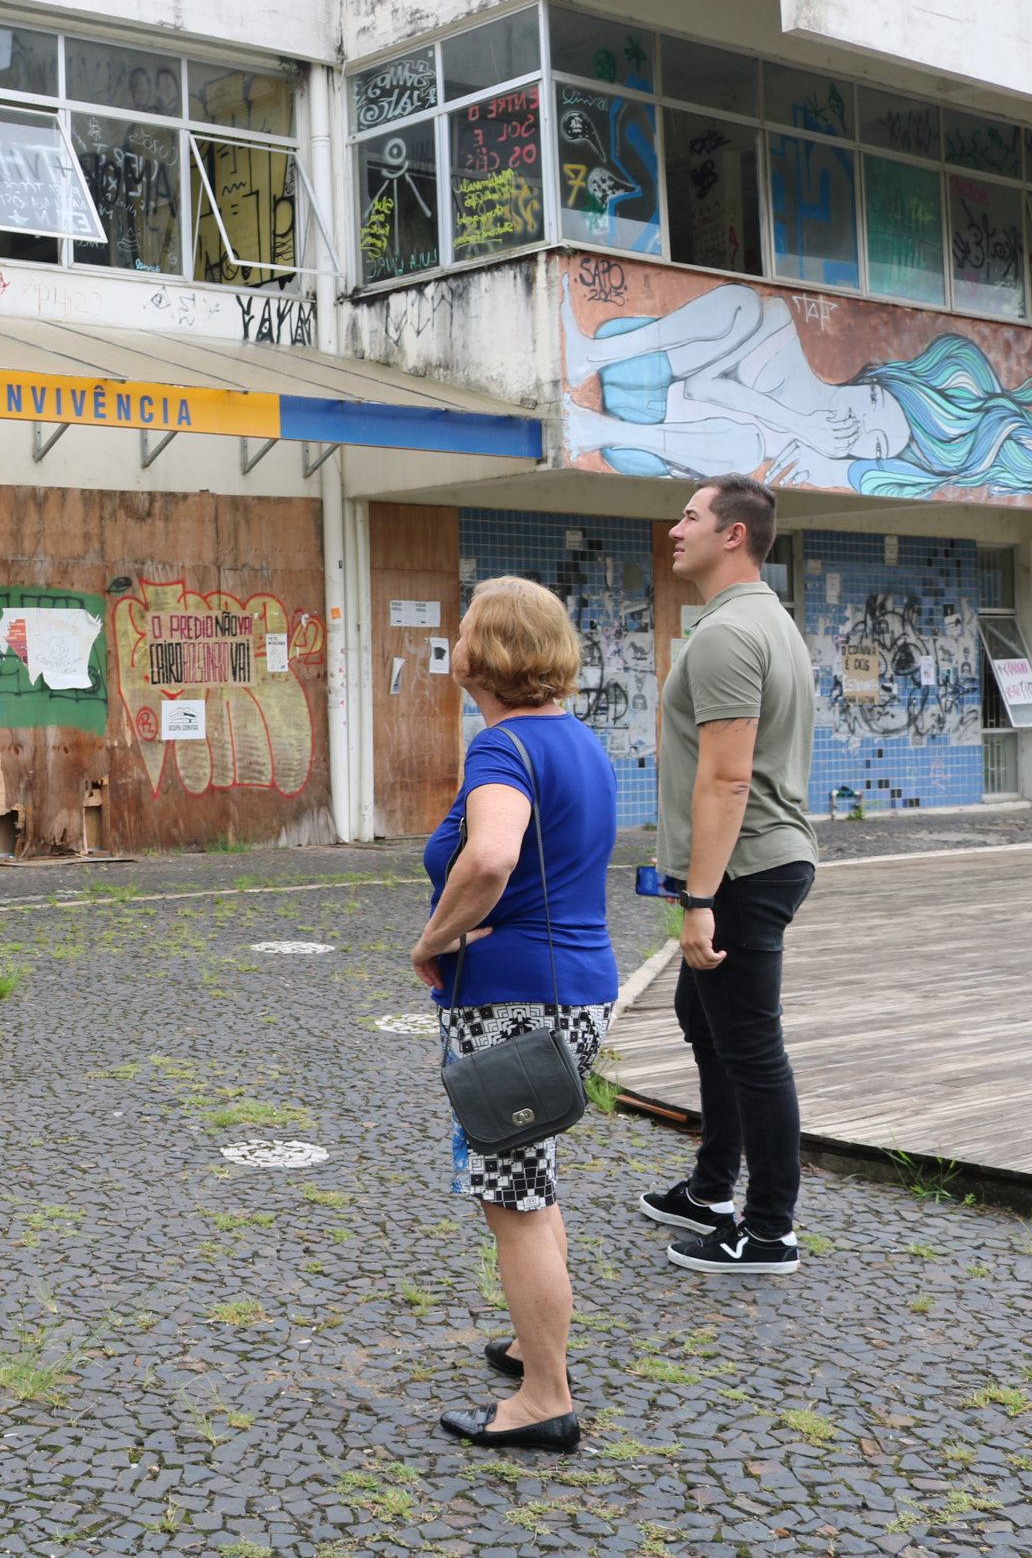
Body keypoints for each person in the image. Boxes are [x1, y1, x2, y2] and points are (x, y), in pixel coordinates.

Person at [413, 576, 619, 1455]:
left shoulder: (500, 750)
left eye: (462, 629)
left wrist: (435, 934)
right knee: (530, 1181)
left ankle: (544, 1397)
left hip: (516, 1002)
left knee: (514, 1198)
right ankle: (542, 1348)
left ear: (481, 653)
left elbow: (492, 854)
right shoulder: (579, 741)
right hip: (575, 987)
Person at [646, 474, 819, 1274]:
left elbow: (726, 778)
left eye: (690, 516)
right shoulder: (767, 621)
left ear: (734, 535)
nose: (674, 528)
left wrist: (700, 899)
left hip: (744, 868)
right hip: (761, 859)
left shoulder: (725, 635)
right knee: (703, 1014)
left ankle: (769, 1228)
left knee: (751, 1046)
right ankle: (713, 1186)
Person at [560, 279, 1032, 503]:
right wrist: (800, 421)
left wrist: (801, 431)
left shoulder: (803, 453)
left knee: (745, 455)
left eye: (876, 444)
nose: (860, 426)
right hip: (646, 369)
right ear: (866, 383)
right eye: (872, 405)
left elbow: (717, 393)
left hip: (644, 437)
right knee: (747, 304)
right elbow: (704, 380)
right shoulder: (784, 337)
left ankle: (591, 429)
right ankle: (591, 354)